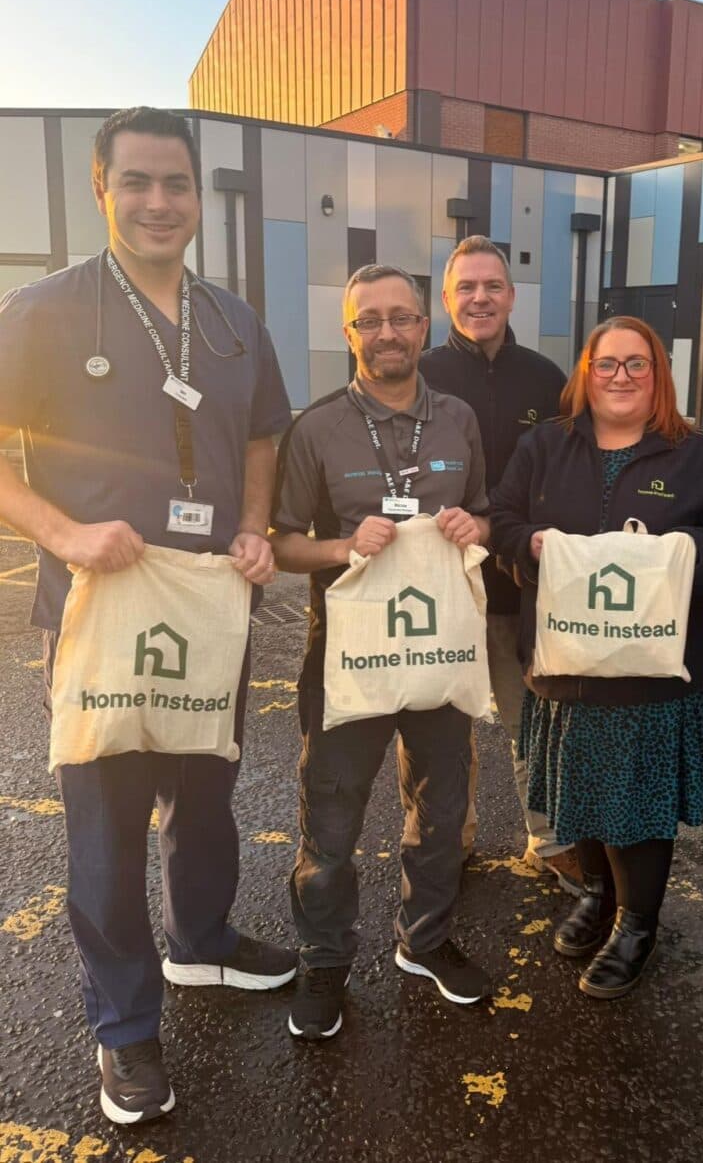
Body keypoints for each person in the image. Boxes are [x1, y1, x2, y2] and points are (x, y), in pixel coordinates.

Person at [0, 107, 296, 1124]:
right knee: (106, 827)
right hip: (101, 603)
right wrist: (61, 530)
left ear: (196, 196)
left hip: (209, 602)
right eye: (138, 182)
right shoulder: (44, 310)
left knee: (208, 793)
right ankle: (124, 1030)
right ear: (101, 189)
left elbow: (264, 430)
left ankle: (203, 942)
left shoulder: (230, 319)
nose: (160, 202)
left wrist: (256, 525)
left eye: (176, 183)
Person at [491, 316, 703, 998]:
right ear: (585, 371)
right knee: (575, 792)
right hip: (563, 659)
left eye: (638, 365)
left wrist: (685, 552)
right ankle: (595, 896)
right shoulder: (545, 445)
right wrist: (530, 547)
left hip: (650, 671)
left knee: (636, 801)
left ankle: (638, 923)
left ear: (659, 375)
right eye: (607, 364)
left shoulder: (695, 456)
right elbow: (502, 519)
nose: (621, 377)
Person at [270, 263, 493, 1042]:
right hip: (349, 655)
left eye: (402, 317)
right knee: (330, 821)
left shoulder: (460, 418)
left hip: (437, 652)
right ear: (349, 333)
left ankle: (423, 942)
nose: (389, 332)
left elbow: (489, 516)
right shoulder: (319, 426)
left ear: (425, 327)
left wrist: (475, 529)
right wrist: (340, 542)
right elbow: (283, 544)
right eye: (372, 320)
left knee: (439, 812)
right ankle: (324, 957)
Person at [418, 235, 580, 892]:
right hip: (438, 581)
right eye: (466, 288)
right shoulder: (422, 374)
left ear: (511, 297)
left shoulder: (545, 379)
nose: (480, 298)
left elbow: (574, 467)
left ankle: (550, 839)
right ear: (447, 298)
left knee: (532, 718)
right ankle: (444, 840)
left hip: (520, 582)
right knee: (440, 727)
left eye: (492, 287)